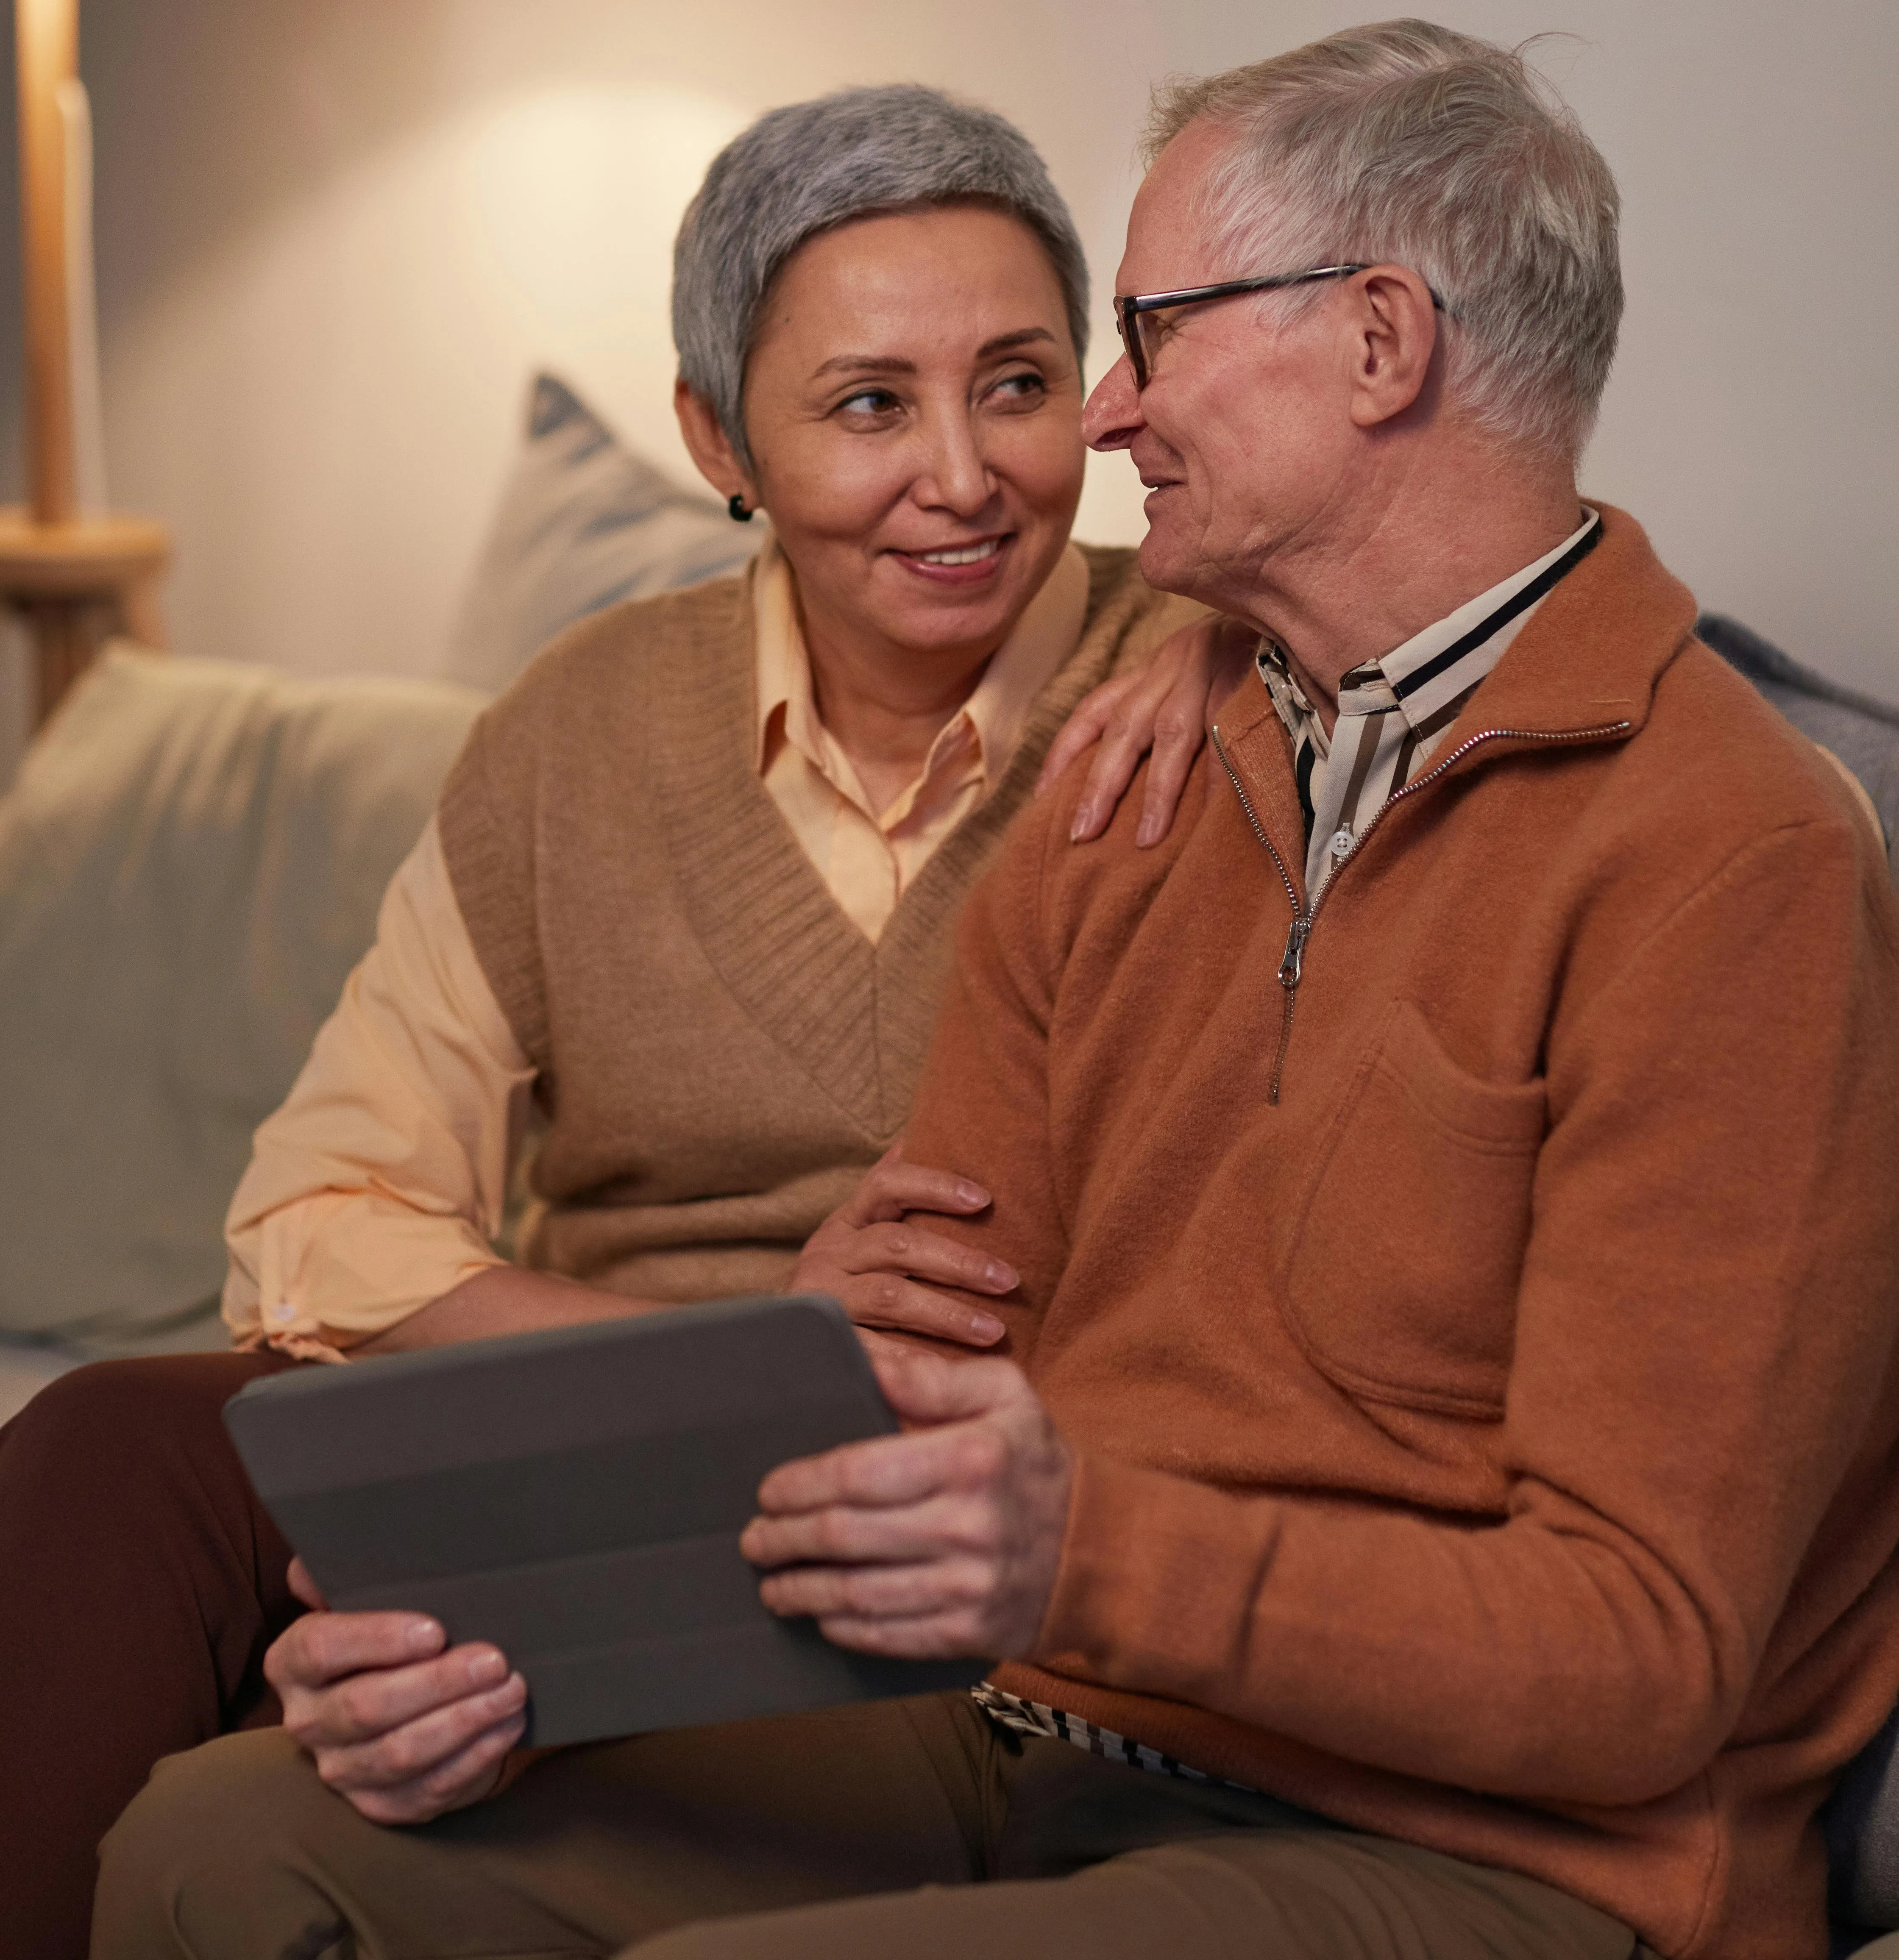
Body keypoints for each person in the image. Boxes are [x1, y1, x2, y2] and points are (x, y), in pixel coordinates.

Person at [90, 22, 1899, 1960]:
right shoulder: (1134, 779)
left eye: (1153, 334)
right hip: (1037, 1731)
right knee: (226, 1841)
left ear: (1380, 344)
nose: (1106, 418)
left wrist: (1079, 1549)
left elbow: (1641, 1656)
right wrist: (506, 1639)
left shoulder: (1734, 859)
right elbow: (913, 1401)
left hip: (1489, 1852)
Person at [0, 86, 1239, 1960]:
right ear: (716, 438)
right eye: (867, 404)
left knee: (289, 1763)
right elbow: (319, 1214)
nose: (966, 477)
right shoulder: (582, 725)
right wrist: (748, 1346)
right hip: (620, 1423)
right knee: (108, 1444)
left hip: (955, 1493)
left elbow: (1507, 560)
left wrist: (1238, 633)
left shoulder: (1226, 686)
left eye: (1017, 382)